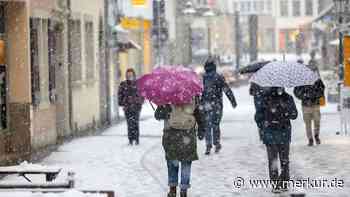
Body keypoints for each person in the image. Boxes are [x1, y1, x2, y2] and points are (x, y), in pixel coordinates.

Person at [155, 97, 202, 197]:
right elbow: (199, 115)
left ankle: (172, 190)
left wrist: (161, 106)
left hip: (171, 135)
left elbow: (158, 116)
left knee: (172, 163)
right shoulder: (193, 95)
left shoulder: (167, 97)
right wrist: (202, 129)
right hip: (188, 135)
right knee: (186, 163)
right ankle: (183, 190)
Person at [255, 87, 298, 193]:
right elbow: (258, 116)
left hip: (281, 133)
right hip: (273, 134)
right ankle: (278, 183)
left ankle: (281, 183)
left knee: (281, 160)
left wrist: (285, 111)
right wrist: (264, 124)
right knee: (278, 160)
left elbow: (294, 115)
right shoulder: (266, 98)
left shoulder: (287, 98)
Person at [201, 59, 237, 155]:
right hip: (217, 105)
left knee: (208, 125)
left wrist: (200, 104)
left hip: (206, 105)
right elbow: (226, 89)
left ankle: (208, 146)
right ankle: (216, 144)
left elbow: (201, 92)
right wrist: (232, 101)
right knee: (215, 125)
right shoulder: (218, 77)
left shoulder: (204, 77)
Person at [294, 79, 325, 146]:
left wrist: (315, 95)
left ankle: (316, 135)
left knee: (317, 121)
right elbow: (296, 91)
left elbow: (322, 89)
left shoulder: (316, 79)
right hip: (305, 105)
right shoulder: (301, 80)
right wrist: (304, 96)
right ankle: (310, 139)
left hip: (315, 104)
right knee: (308, 123)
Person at [118, 68, 144, 145]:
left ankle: (136, 139)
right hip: (127, 107)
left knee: (135, 123)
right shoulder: (123, 84)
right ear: (126, 75)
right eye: (128, 75)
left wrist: (139, 101)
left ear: (133, 75)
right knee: (129, 124)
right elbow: (120, 95)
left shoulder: (138, 84)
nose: (129, 76)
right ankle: (130, 139)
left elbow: (142, 95)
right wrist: (122, 102)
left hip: (136, 107)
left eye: (131, 75)